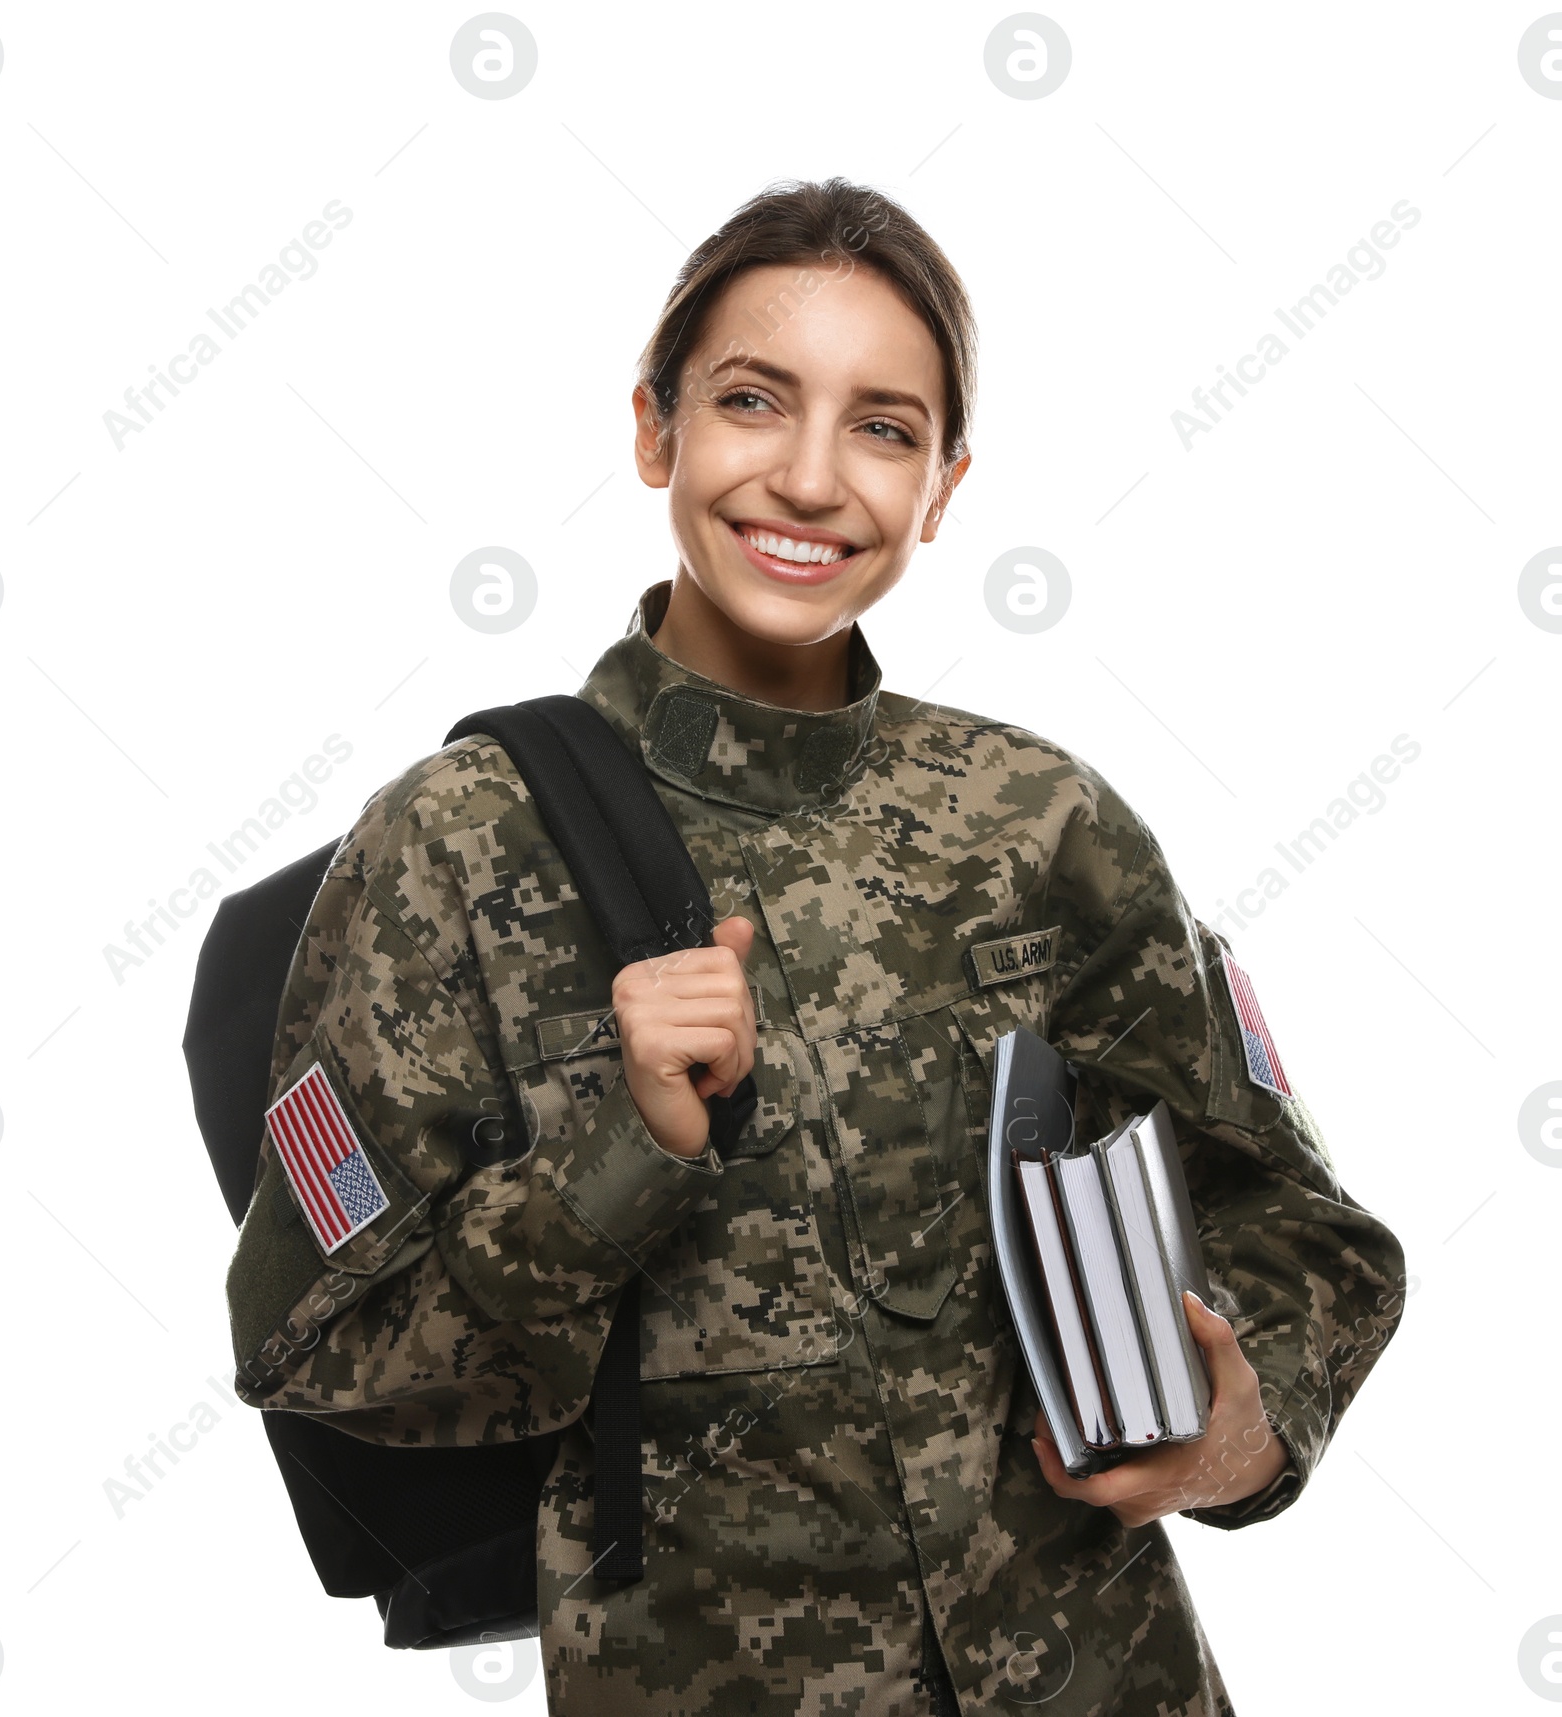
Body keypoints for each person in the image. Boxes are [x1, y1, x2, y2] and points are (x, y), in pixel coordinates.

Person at [224, 178, 1405, 1714]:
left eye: (884, 426)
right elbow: (314, 1344)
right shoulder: (455, 842)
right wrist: (619, 1153)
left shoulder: (1033, 820)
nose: (808, 476)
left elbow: (1305, 1222)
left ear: (945, 485)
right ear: (655, 431)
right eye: (752, 402)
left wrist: (1246, 1407)